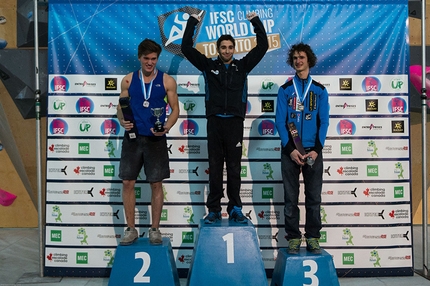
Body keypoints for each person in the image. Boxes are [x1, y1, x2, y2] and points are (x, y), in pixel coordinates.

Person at [181, 12, 268, 224]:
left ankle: (236, 208)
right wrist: (193, 20)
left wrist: (255, 21)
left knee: (235, 169)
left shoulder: (243, 66)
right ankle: (214, 210)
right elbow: (185, 48)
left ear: (234, 49)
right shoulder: (208, 66)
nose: (227, 50)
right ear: (217, 49)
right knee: (215, 168)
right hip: (215, 123)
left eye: (230, 47)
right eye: (223, 47)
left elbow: (263, 46)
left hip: (235, 123)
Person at [117, 38, 179, 245]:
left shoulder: (167, 81)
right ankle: (131, 229)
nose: (150, 62)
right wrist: (122, 120)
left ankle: (154, 229)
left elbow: (175, 109)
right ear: (139, 57)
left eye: (154, 59)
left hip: (156, 139)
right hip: (133, 138)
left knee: (156, 183)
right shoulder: (127, 80)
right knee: (127, 182)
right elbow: (121, 106)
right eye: (146, 58)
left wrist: (166, 127)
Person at [275, 43, 329, 254]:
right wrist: (290, 150)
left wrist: (316, 149)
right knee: (290, 198)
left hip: (313, 152)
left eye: (302, 57)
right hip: (291, 152)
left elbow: (323, 122)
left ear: (309, 60)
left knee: (313, 198)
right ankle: (294, 238)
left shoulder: (320, 90)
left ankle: (313, 237)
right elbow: (280, 122)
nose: (298, 61)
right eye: (295, 58)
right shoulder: (285, 90)